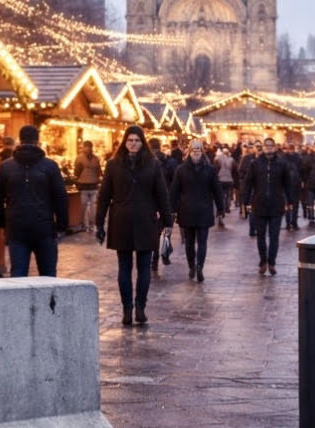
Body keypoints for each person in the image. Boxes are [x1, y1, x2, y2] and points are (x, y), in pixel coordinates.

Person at [96, 126, 173, 325]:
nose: (133, 144)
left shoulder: (153, 165)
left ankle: (140, 307)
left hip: (145, 220)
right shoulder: (113, 165)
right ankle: (127, 308)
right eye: (130, 140)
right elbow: (104, 196)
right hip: (121, 219)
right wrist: (99, 223)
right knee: (124, 267)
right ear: (124, 142)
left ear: (142, 142)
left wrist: (167, 221)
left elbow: (162, 194)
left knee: (144, 267)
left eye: (137, 140)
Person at [0, 126, 68, 277]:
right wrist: (61, 225)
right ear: (38, 141)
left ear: (19, 140)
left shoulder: (6, 166)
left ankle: (19, 301)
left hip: (16, 226)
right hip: (44, 226)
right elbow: (61, 197)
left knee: (18, 274)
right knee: (48, 275)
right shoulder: (50, 166)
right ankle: (47, 302)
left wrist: (2, 222)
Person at [168, 139, 226, 282]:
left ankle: (196, 267)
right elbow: (174, 191)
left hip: (197, 210)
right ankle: (195, 266)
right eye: (194, 148)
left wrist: (220, 207)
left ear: (201, 151)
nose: (196, 151)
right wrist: (171, 209)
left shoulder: (205, 169)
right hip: (192, 210)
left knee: (196, 241)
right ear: (189, 150)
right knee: (194, 242)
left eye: (198, 148)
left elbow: (216, 190)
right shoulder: (182, 170)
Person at [242, 137, 296, 275]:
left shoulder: (281, 164)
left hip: (276, 204)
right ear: (263, 147)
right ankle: (263, 261)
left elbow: (288, 184)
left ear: (275, 147)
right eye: (266, 145)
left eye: (271, 145)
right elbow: (248, 183)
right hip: (259, 204)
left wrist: (290, 201)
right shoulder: (255, 164)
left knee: (274, 236)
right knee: (260, 236)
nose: (268, 148)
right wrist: (245, 201)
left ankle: (272, 262)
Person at [74, 140, 102, 233]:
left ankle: (83, 225)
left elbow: (76, 173)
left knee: (83, 207)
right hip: (94, 185)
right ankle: (92, 225)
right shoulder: (96, 159)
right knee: (94, 207)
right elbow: (99, 172)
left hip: (84, 186)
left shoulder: (79, 158)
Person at [214, 143, 236, 220]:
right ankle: (226, 207)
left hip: (220, 179)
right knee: (227, 194)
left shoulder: (218, 159)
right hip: (229, 180)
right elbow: (234, 171)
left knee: (221, 195)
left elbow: (215, 169)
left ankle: (221, 210)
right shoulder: (231, 160)